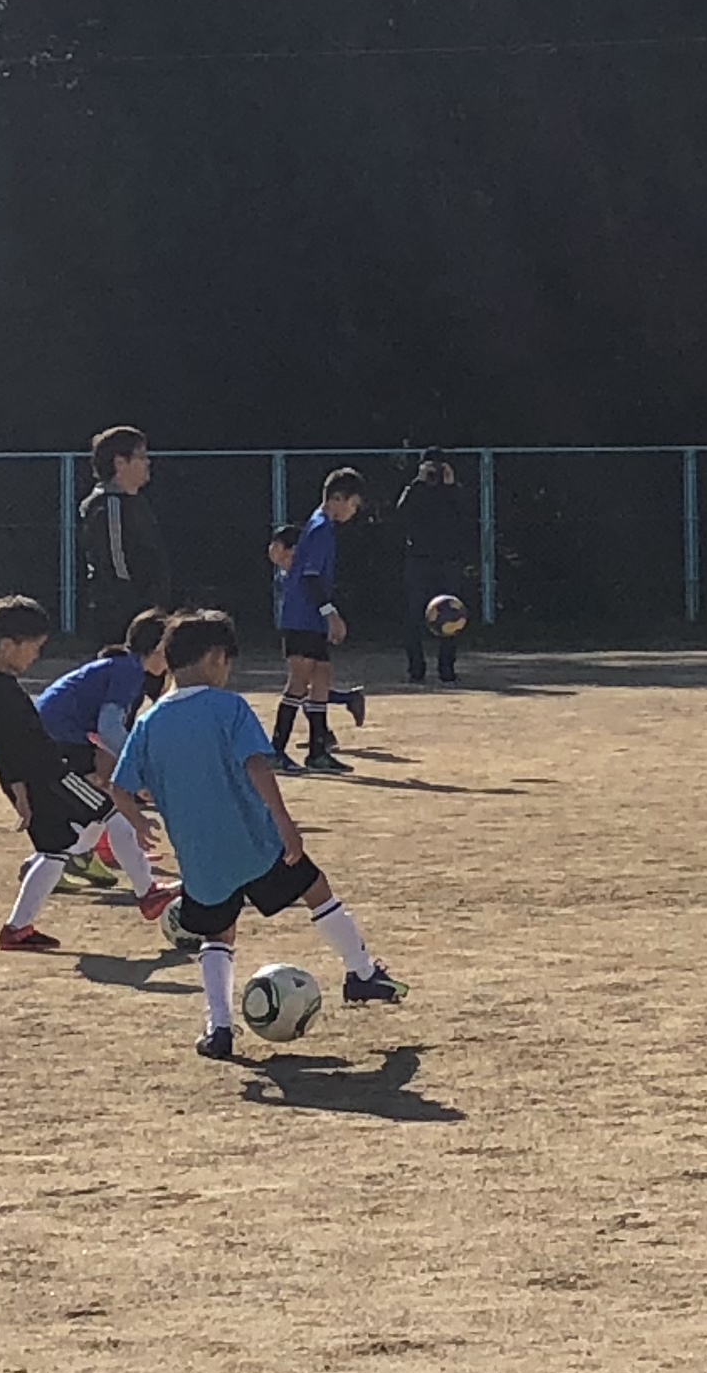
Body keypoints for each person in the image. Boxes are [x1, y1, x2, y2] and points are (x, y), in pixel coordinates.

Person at [105, 608, 405, 1060]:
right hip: (254, 841)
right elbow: (256, 765)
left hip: (200, 856)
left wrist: (139, 821)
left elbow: (120, 787)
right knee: (315, 889)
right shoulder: (228, 707)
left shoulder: (150, 721)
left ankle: (219, 1028)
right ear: (214, 658)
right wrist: (285, 821)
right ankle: (361, 972)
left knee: (217, 934)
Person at [0, 596, 168, 951]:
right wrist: (19, 790)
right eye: (33, 648)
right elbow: (5, 746)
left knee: (57, 850)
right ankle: (148, 893)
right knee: (112, 812)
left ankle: (17, 929)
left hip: (45, 775)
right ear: (7, 645)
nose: (35, 656)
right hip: (51, 777)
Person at [35, 611, 173, 905]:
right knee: (109, 806)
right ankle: (146, 889)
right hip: (57, 736)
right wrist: (137, 767)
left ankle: (60, 860)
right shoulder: (129, 672)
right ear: (158, 648)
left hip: (59, 734)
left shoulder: (126, 668)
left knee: (99, 804)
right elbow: (109, 727)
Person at [268, 474, 371, 772]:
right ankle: (275, 751)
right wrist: (331, 614)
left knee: (322, 677)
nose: (353, 511)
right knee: (299, 681)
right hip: (302, 615)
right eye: (353, 504)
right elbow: (310, 576)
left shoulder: (321, 525)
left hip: (309, 616)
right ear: (338, 499)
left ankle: (317, 752)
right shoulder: (321, 528)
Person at [74, 427, 171, 646]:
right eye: (141, 456)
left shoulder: (137, 502)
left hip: (145, 611)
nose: (148, 463)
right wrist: (140, 603)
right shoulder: (110, 504)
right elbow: (116, 563)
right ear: (120, 463)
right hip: (122, 615)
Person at [394, 453, 475, 683]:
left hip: (448, 560)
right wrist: (417, 483)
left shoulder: (453, 492)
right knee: (413, 615)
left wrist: (452, 486)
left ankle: (447, 667)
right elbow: (400, 515)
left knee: (452, 614)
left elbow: (468, 515)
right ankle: (415, 668)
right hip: (419, 560)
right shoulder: (415, 491)